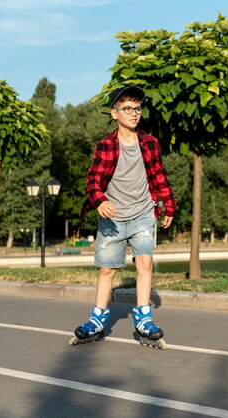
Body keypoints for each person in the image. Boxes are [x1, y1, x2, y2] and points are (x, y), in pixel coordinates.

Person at [72, 85, 175, 345]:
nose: (134, 113)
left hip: (142, 213)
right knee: (107, 270)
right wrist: (100, 201)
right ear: (114, 113)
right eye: (127, 109)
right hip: (113, 217)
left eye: (137, 108)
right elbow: (93, 180)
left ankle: (143, 318)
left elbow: (159, 176)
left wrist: (168, 205)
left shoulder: (150, 143)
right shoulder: (106, 145)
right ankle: (97, 319)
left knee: (145, 264)